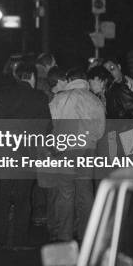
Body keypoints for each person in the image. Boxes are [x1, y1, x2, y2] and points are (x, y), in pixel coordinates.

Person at [0, 62, 51, 250]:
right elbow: (46, 127)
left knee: (2, 197)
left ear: (17, 76)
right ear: (32, 77)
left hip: (4, 153)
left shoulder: (2, 94)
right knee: (23, 199)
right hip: (27, 154)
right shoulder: (39, 97)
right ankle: (19, 240)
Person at [48, 67, 106, 242]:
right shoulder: (94, 100)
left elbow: (50, 124)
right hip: (88, 150)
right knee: (85, 191)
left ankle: (64, 234)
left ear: (70, 79)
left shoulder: (60, 99)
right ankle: (87, 233)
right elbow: (101, 130)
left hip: (66, 149)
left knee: (65, 193)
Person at [87, 66, 133, 156]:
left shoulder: (118, 91)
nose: (89, 86)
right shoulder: (104, 96)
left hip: (131, 140)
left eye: (90, 82)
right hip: (118, 142)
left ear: (99, 79)